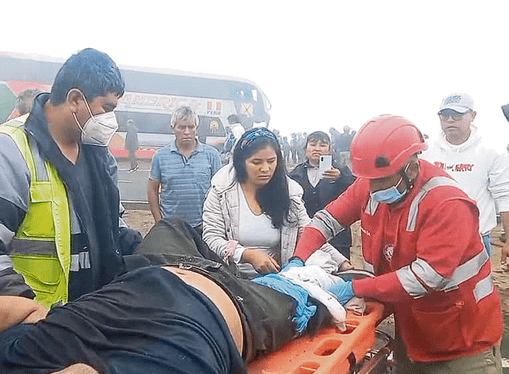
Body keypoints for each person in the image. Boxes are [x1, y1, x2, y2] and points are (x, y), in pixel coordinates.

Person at [0, 218, 337, 374]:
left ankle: (238, 258)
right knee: (306, 286)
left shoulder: (11, 358)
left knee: (174, 225)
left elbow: (30, 309)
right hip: (233, 307)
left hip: (153, 272)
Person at [292, 114, 502, 373]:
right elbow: (325, 221)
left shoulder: (446, 203)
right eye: (369, 180)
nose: (374, 188)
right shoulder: (370, 184)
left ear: (411, 168)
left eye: (381, 180)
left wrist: (355, 287)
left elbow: (427, 276)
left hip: (461, 341)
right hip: (412, 332)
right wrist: (297, 259)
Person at [0, 48, 142, 309]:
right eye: (107, 108)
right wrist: (27, 314)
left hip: (87, 321)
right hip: (26, 334)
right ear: (75, 99)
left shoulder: (98, 154)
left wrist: (157, 254)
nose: (111, 121)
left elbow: (114, 230)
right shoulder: (6, 149)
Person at [203, 127, 350, 279]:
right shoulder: (222, 191)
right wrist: (247, 255)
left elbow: (308, 233)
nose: (265, 168)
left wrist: (341, 262)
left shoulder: (290, 193)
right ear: (241, 162)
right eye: (256, 162)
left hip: (278, 279)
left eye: (271, 161)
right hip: (230, 280)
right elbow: (212, 237)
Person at [421, 93, 509, 261]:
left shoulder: (492, 151)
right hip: (432, 238)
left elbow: (504, 196)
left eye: (457, 114)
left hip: (475, 240)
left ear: (472, 116)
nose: (450, 120)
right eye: (445, 115)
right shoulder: (427, 151)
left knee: (477, 287)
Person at [148, 105, 221, 232]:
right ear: (173, 128)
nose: (187, 132)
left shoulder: (212, 155)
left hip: (203, 226)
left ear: (196, 128)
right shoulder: (160, 156)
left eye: (191, 127)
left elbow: (220, 190)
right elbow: (152, 190)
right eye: (181, 127)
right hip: (171, 226)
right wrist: (159, 221)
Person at [288, 131, 355, 259]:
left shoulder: (341, 171)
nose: (317, 149)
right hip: (305, 236)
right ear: (305, 148)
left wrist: (341, 178)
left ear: (330, 149)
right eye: (312, 144)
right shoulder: (295, 174)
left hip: (337, 238)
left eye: (323, 145)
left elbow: (356, 191)